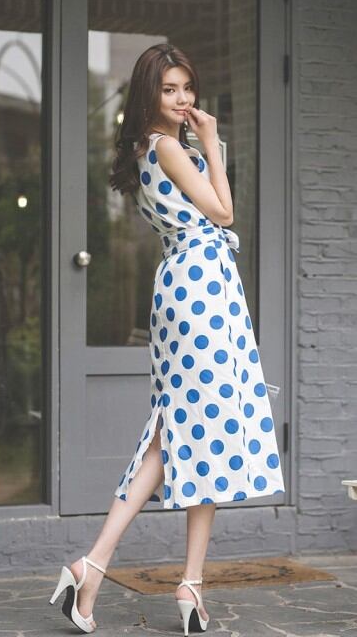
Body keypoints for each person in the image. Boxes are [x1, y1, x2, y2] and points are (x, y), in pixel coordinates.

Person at [49, 43, 285, 635]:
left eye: (187, 88)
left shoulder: (150, 149)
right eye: (169, 89)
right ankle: (102, 564)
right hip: (200, 287)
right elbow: (225, 213)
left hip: (191, 282)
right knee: (184, 427)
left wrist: (206, 146)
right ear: (149, 95)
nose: (183, 99)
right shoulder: (168, 148)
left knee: (191, 428)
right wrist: (213, 142)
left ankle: (178, 581)